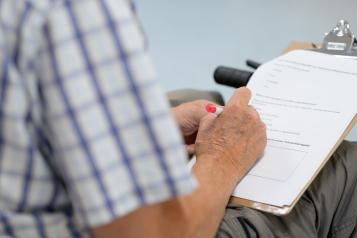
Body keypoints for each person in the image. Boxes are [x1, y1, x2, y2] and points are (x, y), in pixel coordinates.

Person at [0, 1, 356, 238]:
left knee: (194, 101)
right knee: (345, 166)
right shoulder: (75, 14)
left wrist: (145, 131)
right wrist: (222, 157)